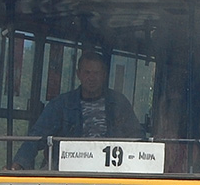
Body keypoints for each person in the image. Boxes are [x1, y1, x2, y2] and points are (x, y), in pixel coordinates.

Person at [13, 51, 142, 169]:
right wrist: (17, 165)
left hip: (110, 172)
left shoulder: (119, 104)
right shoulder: (60, 105)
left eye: (96, 73)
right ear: (78, 74)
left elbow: (137, 137)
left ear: (104, 75)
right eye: (87, 73)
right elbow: (36, 138)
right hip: (67, 173)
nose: (92, 78)